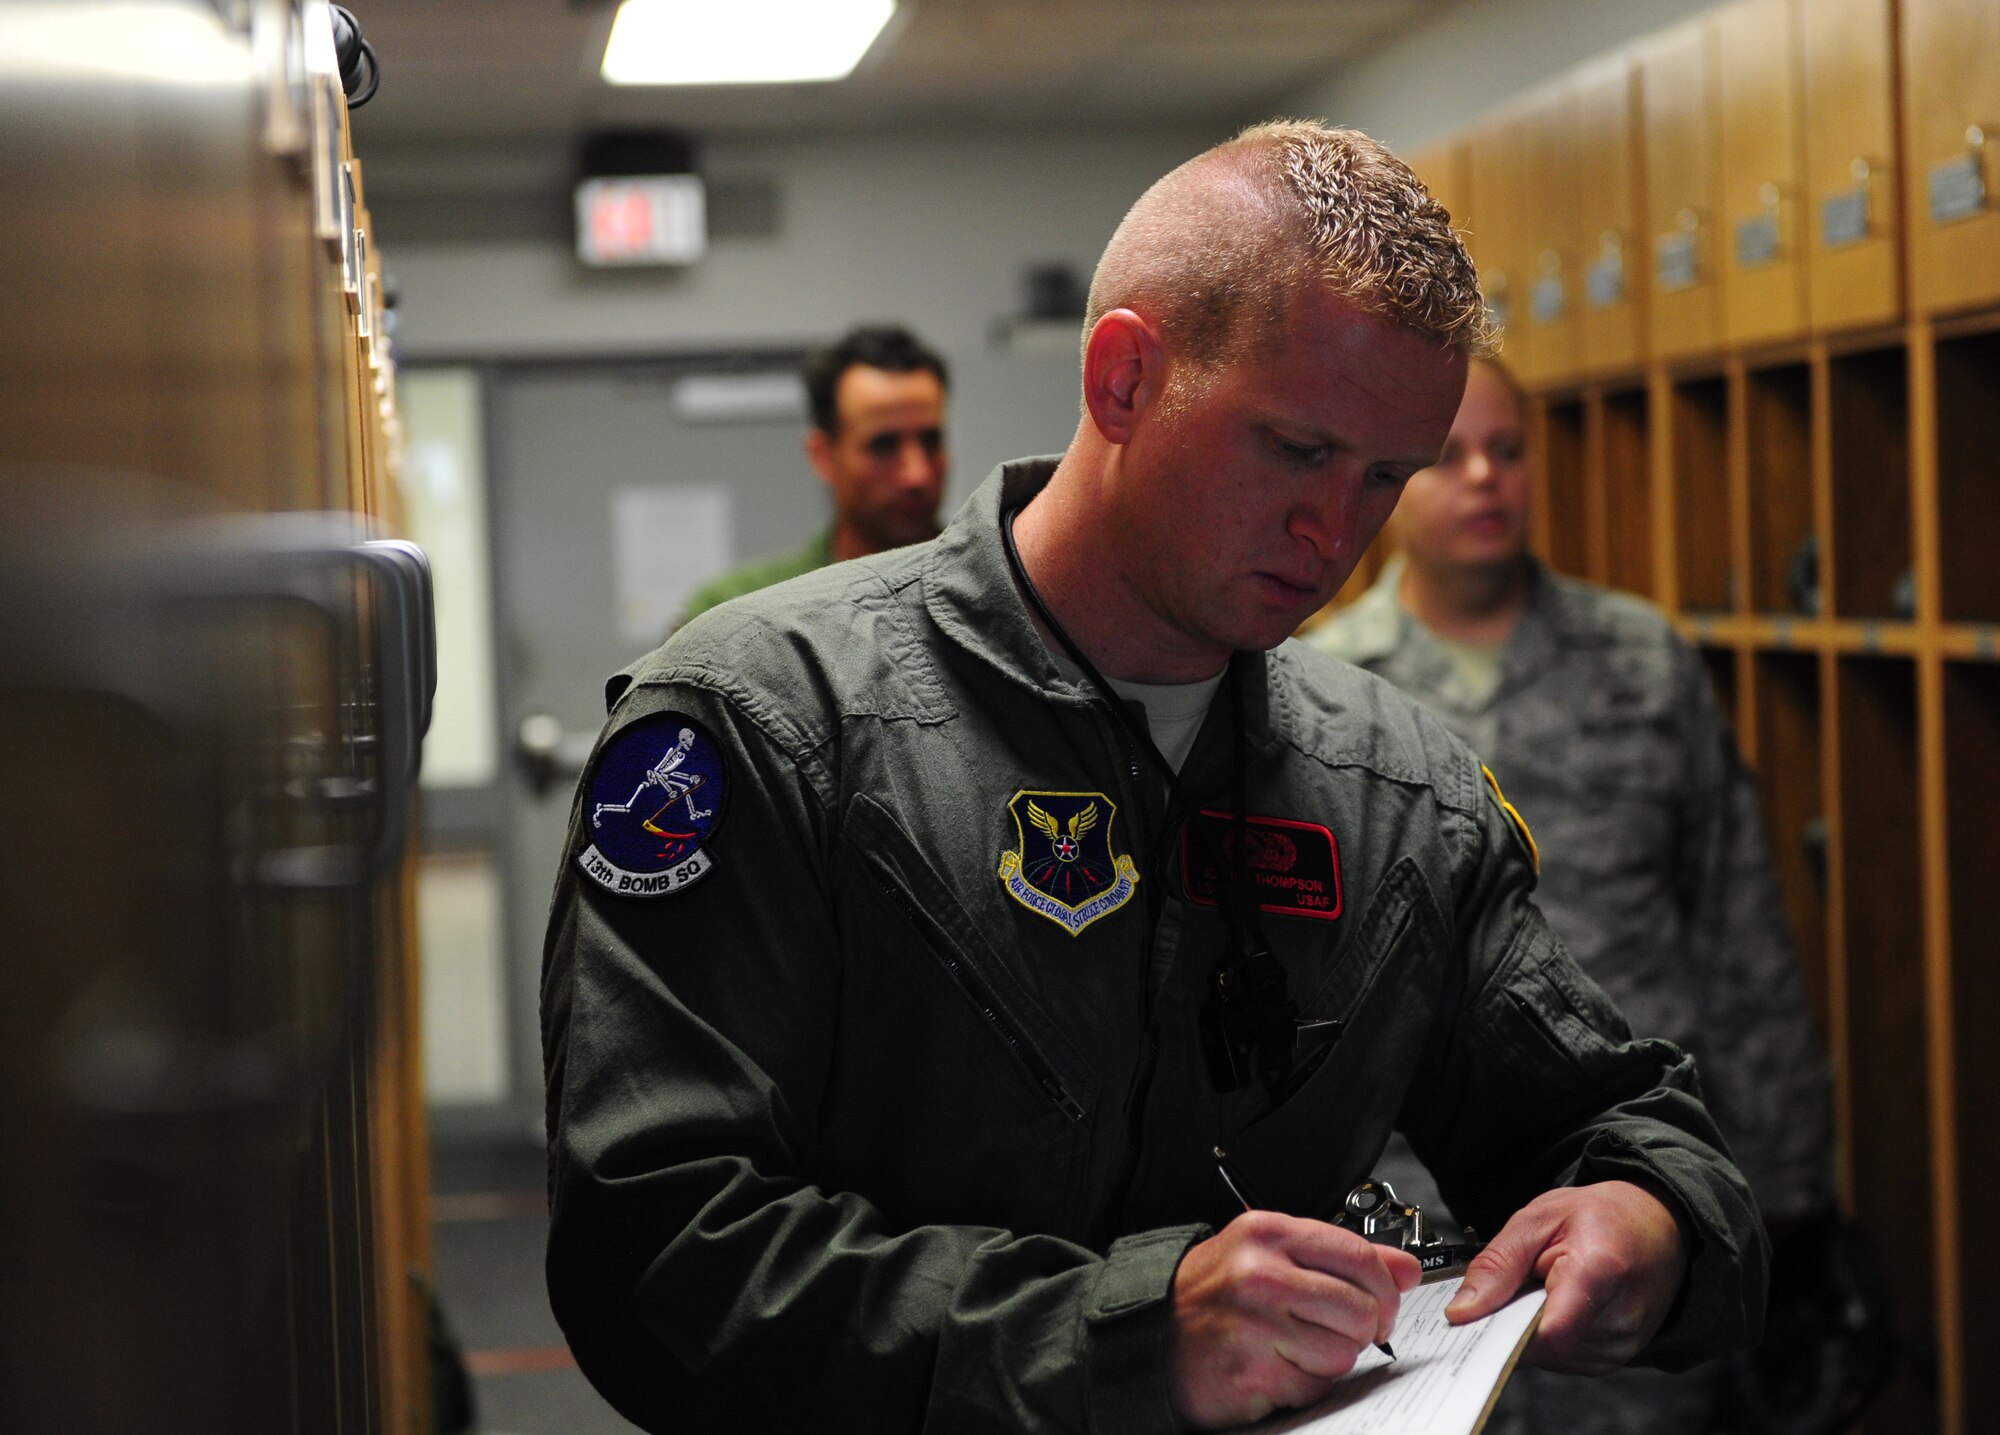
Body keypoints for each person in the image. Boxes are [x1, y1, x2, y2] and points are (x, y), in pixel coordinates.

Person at [541, 121, 1767, 1435]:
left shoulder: (1397, 791)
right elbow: (660, 1251)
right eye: (1297, 451)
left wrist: (1650, 1217)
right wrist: (1126, 1334)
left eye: (1384, 477)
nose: (1336, 533)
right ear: (1123, 378)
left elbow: (1624, 1117)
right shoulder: (772, 725)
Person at [1307, 357, 1836, 1434]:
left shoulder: (1640, 661)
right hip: (1406, 1244)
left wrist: (1785, 1198)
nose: (1483, 480)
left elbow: (1736, 925)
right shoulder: (1325, 691)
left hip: (1628, 1191)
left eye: (1506, 450)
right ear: (1392, 478)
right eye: (1446, 458)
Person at [677, 323, 949, 623]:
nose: (917, 474)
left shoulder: (990, 589)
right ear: (823, 456)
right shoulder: (737, 611)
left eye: (931, 441)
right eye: (882, 446)